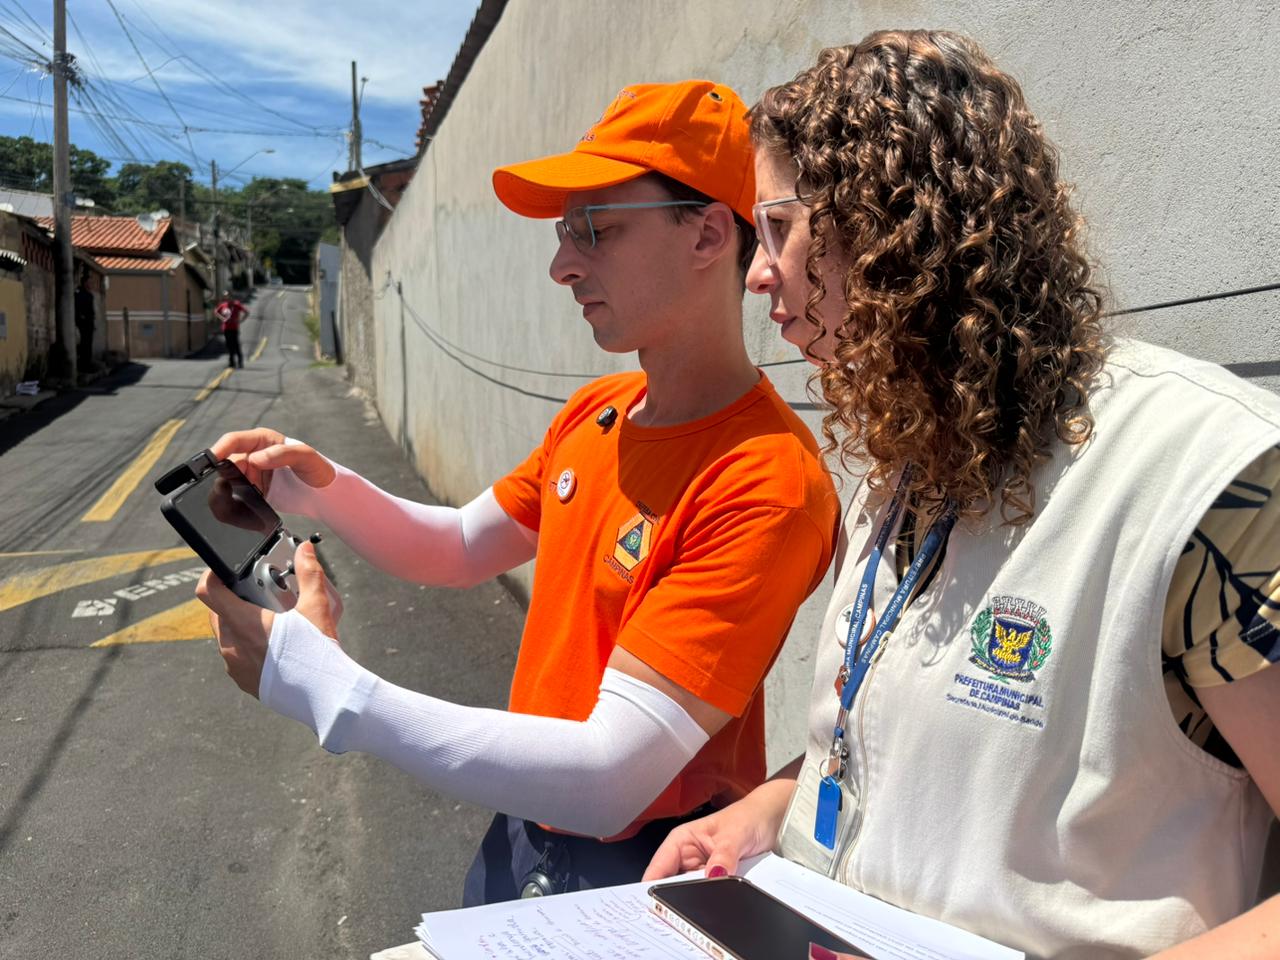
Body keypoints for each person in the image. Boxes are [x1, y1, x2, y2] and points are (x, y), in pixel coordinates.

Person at [644, 31, 1280, 960]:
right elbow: (905, 759)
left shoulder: (1217, 480)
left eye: (778, 226)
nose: (754, 272)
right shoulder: (907, 459)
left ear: (896, 224)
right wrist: (771, 807)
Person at [195, 80, 840, 904]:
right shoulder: (600, 411)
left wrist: (324, 685)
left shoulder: (766, 479)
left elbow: (609, 779)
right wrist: (320, 487)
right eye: (566, 232)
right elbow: (462, 545)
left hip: (648, 869)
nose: (562, 264)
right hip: (522, 827)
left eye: (595, 229)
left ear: (710, 233)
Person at [215, 290, 246, 368]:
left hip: (234, 328)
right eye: (225, 296)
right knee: (229, 345)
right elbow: (216, 312)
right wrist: (222, 318)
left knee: (236, 344)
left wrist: (240, 320)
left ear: (231, 296)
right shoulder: (223, 305)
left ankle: (240, 361)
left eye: (228, 296)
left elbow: (246, 312)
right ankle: (232, 362)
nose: (227, 297)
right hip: (226, 328)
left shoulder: (236, 304)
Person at [74, 270, 95, 375]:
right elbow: (77, 309)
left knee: (88, 345)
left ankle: (87, 364)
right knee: (83, 345)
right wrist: (81, 318)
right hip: (82, 324)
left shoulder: (90, 295)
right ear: (84, 283)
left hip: (89, 324)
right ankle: (83, 365)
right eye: (89, 282)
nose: (91, 285)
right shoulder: (78, 293)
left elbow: (91, 311)